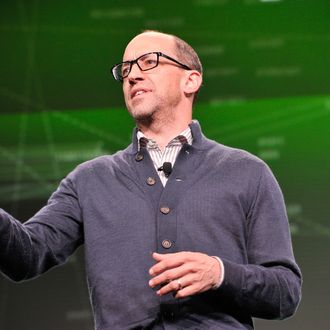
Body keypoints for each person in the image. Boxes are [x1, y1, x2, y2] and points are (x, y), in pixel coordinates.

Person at [0, 30, 301, 329]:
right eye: (126, 69)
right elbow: (26, 256)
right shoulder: (89, 179)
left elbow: (285, 292)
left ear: (191, 80)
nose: (132, 76)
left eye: (149, 62)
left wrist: (219, 273)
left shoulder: (247, 172)